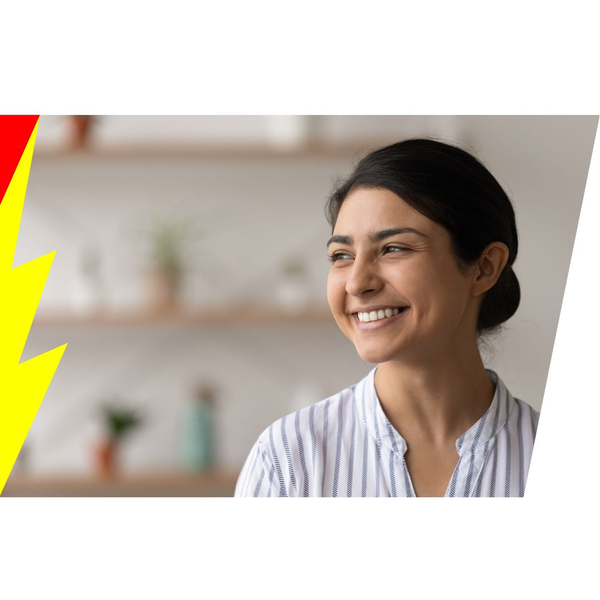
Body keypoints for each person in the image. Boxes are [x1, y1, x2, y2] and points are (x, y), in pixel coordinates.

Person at [234, 138, 540, 497]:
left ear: (484, 268)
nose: (357, 283)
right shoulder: (287, 461)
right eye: (341, 256)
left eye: (394, 248)